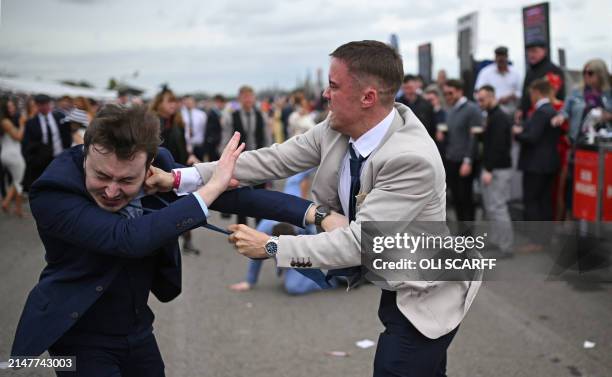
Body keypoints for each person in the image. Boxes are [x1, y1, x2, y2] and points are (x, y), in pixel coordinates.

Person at [151, 40, 481, 377]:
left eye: (334, 86)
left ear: (367, 97)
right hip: (393, 278)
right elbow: (272, 160)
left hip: (427, 292)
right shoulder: (337, 128)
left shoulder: (410, 159)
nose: (324, 94)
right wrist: (178, 178)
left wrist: (271, 247)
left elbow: (358, 243)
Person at [10, 104, 316, 377]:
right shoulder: (52, 190)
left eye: (128, 180)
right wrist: (209, 189)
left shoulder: (160, 165)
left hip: (137, 325)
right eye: (101, 176)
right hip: (79, 332)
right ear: (86, 150)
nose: (112, 190)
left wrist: (314, 213)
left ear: (150, 165)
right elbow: (127, 239)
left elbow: (236, 198)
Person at [551, 59, 612, 218]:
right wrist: (561, 118)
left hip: (602, 149)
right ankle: (570, 220)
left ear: (600, 74)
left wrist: (607, 116)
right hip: (577, 146)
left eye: (590, 73)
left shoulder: (608, 94)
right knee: (571, 186)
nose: (586, 76)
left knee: (599, 187)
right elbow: (565, 110)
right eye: (584, 72)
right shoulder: (577, 92)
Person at [513, 79, 560, 222]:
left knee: (532, 201)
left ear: (537, 93)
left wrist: (517, 133)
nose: (530, 97)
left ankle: (536, 241)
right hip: (548, 163)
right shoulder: (552, 110)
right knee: (545, 200)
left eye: (531, 94)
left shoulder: (541, 111)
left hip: (535, 165)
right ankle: (544, 240)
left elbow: (532, 137)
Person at [475, 86, 514, 257]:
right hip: (493, 166)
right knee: (492, 207)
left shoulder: (499, 117)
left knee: (498, 207)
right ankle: (497, 241)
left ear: (492, 97)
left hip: (497, 168)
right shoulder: (493, 115)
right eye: (478, 99)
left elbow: (499, 146)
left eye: (482, 99)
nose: (480, 103)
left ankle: (506, 247)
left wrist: (489, 169)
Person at [441, 79, 482, 221]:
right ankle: (461, 236)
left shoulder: (472, 109)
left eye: (450, 93)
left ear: (460, 91)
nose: (447, 96)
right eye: (445, 94)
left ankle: (468, 238)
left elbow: (475, 138)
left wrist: (468, 161)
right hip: (452, 158)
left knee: (466, 200)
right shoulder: (451, 109)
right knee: (457, 199)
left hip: (464, 161)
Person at [22, 94, 71, 192]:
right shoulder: (31, 123)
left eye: (46, 104)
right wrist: (32, 160)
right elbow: (26, 144)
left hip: (59, 157)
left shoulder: (60, 117)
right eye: (41, 104)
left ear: (50, 104)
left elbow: (67, 134)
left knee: (59, 186)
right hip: (40, 161)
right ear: (36, 105)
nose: (44, 107)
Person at [517, 40, 565, 124]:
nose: (531, 55)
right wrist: (521, 108)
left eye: (534, 51)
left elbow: (557, 96)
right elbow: (525, 92)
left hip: (545, 117)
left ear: (544, 51)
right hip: (530, 115)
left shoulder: (553, 70)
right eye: (529, 52)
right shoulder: (530, 71)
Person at [474, 46, 522, 116]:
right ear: (495, 57)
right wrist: (492, 100)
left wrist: (512, 96)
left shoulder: (516, 73)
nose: (500, 59)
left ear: (507, 57)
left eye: (503, 57)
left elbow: (521, 92)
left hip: (510, 113)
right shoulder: (486, 72)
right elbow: (477, 93)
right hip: (490, 113)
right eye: (498, 57)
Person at [1, 98, 26, 217]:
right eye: (9, 107)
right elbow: (18, 137)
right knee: (19, 182)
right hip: (13, 155)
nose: (12, 109)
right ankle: (17, 209)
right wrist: (22, 124)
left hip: (8, 153)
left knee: (16, 181)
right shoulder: (5, 121)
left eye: (13, 106)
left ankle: (9, 204)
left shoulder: (6, 121)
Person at [397, 74, 436, 139]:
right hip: (403, 140)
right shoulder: (397, 104)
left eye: (410, 88)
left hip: (422, 140)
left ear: (416, 87)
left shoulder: (426, 105)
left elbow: (431, 127)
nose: (408, 91)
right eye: (405, 88)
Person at [180, 95, 207, 161]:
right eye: (187, 101)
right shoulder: (180, 114)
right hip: (186, 145)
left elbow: (205, 129)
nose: (188, 103)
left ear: (194, 102)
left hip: (198, 144)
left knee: (200, 164)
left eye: (190, 101)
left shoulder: (201, 114)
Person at [202, 94, 225, 162]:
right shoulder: (212, 113)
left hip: (216, 141)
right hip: (213, 143)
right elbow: (210, 130)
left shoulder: (219, 113)